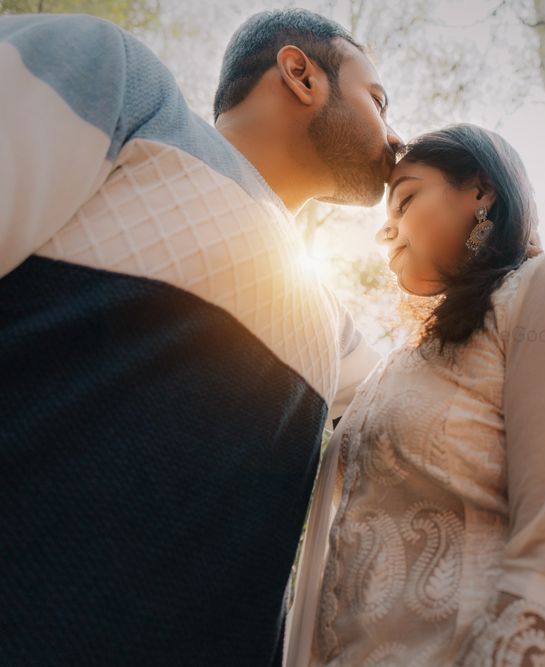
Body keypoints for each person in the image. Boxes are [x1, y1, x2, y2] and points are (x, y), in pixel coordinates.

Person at [0, 9, 396, 665]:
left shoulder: (334, 326)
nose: (395, 133)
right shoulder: (125, 84)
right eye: (377, 99)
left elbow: (432, 433)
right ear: (300, 74)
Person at [284, 124, 545, 666]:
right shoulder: (395, 367)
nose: (387, 231)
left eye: (405, 199)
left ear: (481, 190)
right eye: (385, 220)